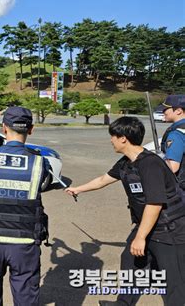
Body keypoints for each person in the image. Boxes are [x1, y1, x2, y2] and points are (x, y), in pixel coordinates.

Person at [65, 116, 185, 306]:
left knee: (173, 282)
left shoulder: (150, 164)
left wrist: (140, 237)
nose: (111, 140)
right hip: (146, 226)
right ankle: (123, 303)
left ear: (123, 138)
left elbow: (155, 204)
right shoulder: (126, 162)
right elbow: (103, 179)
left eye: (113, 136)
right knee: (130, 260)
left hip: (170, 230)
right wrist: (78, 189)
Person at [0, 106, 50, 306]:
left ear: (3, 128)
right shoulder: (39, 162)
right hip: (24, 243)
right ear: (31, 129)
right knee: (25, 297)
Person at [158, 94, 185, 190]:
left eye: (166, 109)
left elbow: (173, 167)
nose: (163, 111)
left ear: (178, 111)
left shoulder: (177, 134)